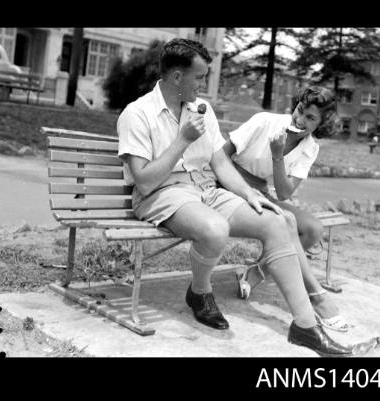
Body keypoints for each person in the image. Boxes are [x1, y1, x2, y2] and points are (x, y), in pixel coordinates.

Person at [116, 38, 352, 357]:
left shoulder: (203, 110)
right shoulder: (137, 114)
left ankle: (305, 326)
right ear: (176, 77)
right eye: (200, 77)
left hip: (205, 190)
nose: (205, 83)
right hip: (161, 194)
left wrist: (249, 194)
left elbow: (221, 163)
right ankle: (200, 293)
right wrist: (182, 141)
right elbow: (143, 182)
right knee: (215, 230)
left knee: (276, 220)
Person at [223, 85, 349, 332]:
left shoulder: (311, 147)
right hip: (229, 183)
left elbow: (284, 192)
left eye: (310, 118)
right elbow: (221, 156)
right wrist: (239, 189)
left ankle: (259, 270)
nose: (300, 119)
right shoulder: (264, 121)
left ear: (320, 125)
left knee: (313, 229)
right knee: (287, 220)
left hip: (260, 191)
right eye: (300, 110)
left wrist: (277, 155)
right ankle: (317, 297)